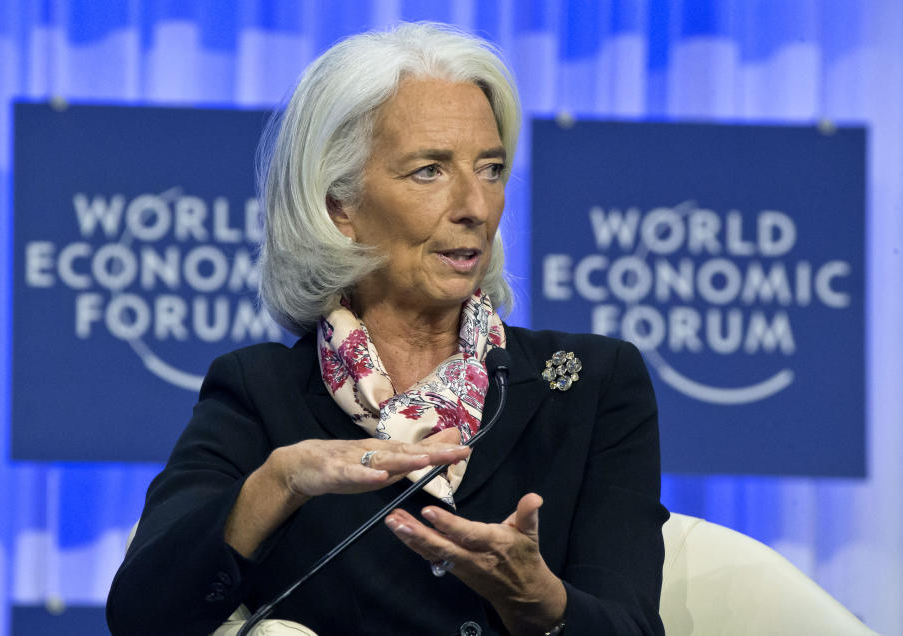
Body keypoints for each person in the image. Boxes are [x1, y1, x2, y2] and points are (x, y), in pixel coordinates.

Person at [107, 22, 668, 636]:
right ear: (338, 206)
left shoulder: (591, 384)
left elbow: (632, 625)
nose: (476, 206)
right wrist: (281, 483)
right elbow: (143, 616)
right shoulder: (260, 392)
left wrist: (541, 602)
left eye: (491, 168)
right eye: (430, 170)